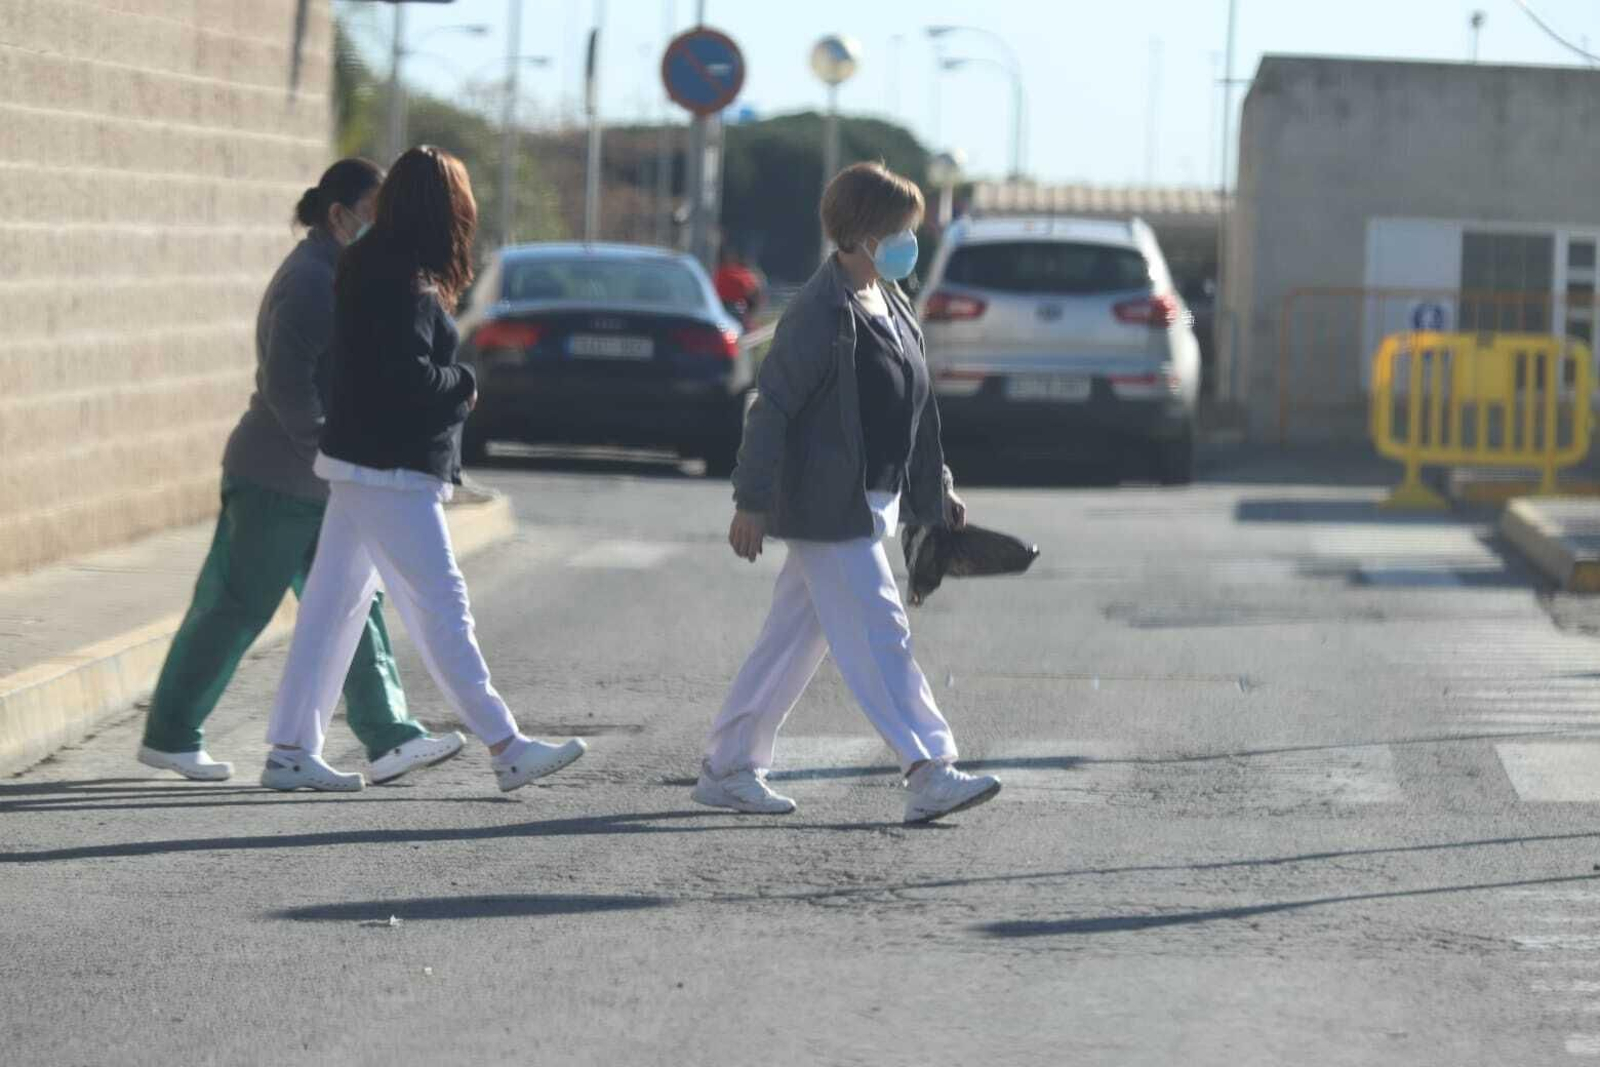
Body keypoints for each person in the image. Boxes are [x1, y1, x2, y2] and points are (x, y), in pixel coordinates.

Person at [259, 146, 585, 793]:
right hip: (390, 468)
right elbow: (404, 376)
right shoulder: (403, 276)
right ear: (442, 207)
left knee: (333, 608)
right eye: (461, 197)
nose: (469, 208)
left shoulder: (369, 263)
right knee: (441, 605)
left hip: (360, 461)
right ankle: (506, 743)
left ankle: (291, 750)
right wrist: (461, 384)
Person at [136, 159, 463, 786]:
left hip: (318, 477)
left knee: (350, 606)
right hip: (279, 480)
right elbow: (287, 389)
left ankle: (390, 736)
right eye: (375, 213)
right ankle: (171, 734)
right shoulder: (312, 281)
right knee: (236, 605)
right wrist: (335, 451)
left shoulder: (339, 270)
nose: (385, 226)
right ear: (339, 215)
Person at [693, 162, 1002, 824]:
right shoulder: (817, 311)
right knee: (879, 625)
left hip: (870, 500)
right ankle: (929, 767)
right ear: (862, 232)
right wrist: (751, 501)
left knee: (791, 642)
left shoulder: (889, 303)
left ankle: (728, 765)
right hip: (826, 506)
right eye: (899, 230)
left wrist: (936, 485)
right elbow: (769, 407)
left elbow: (910, 411)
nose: (908, 243)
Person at [713, 244, 764, 329]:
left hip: (722, 309)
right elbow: (754, 291)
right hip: (733, 310)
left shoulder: (710, 274)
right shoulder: (741, 275)